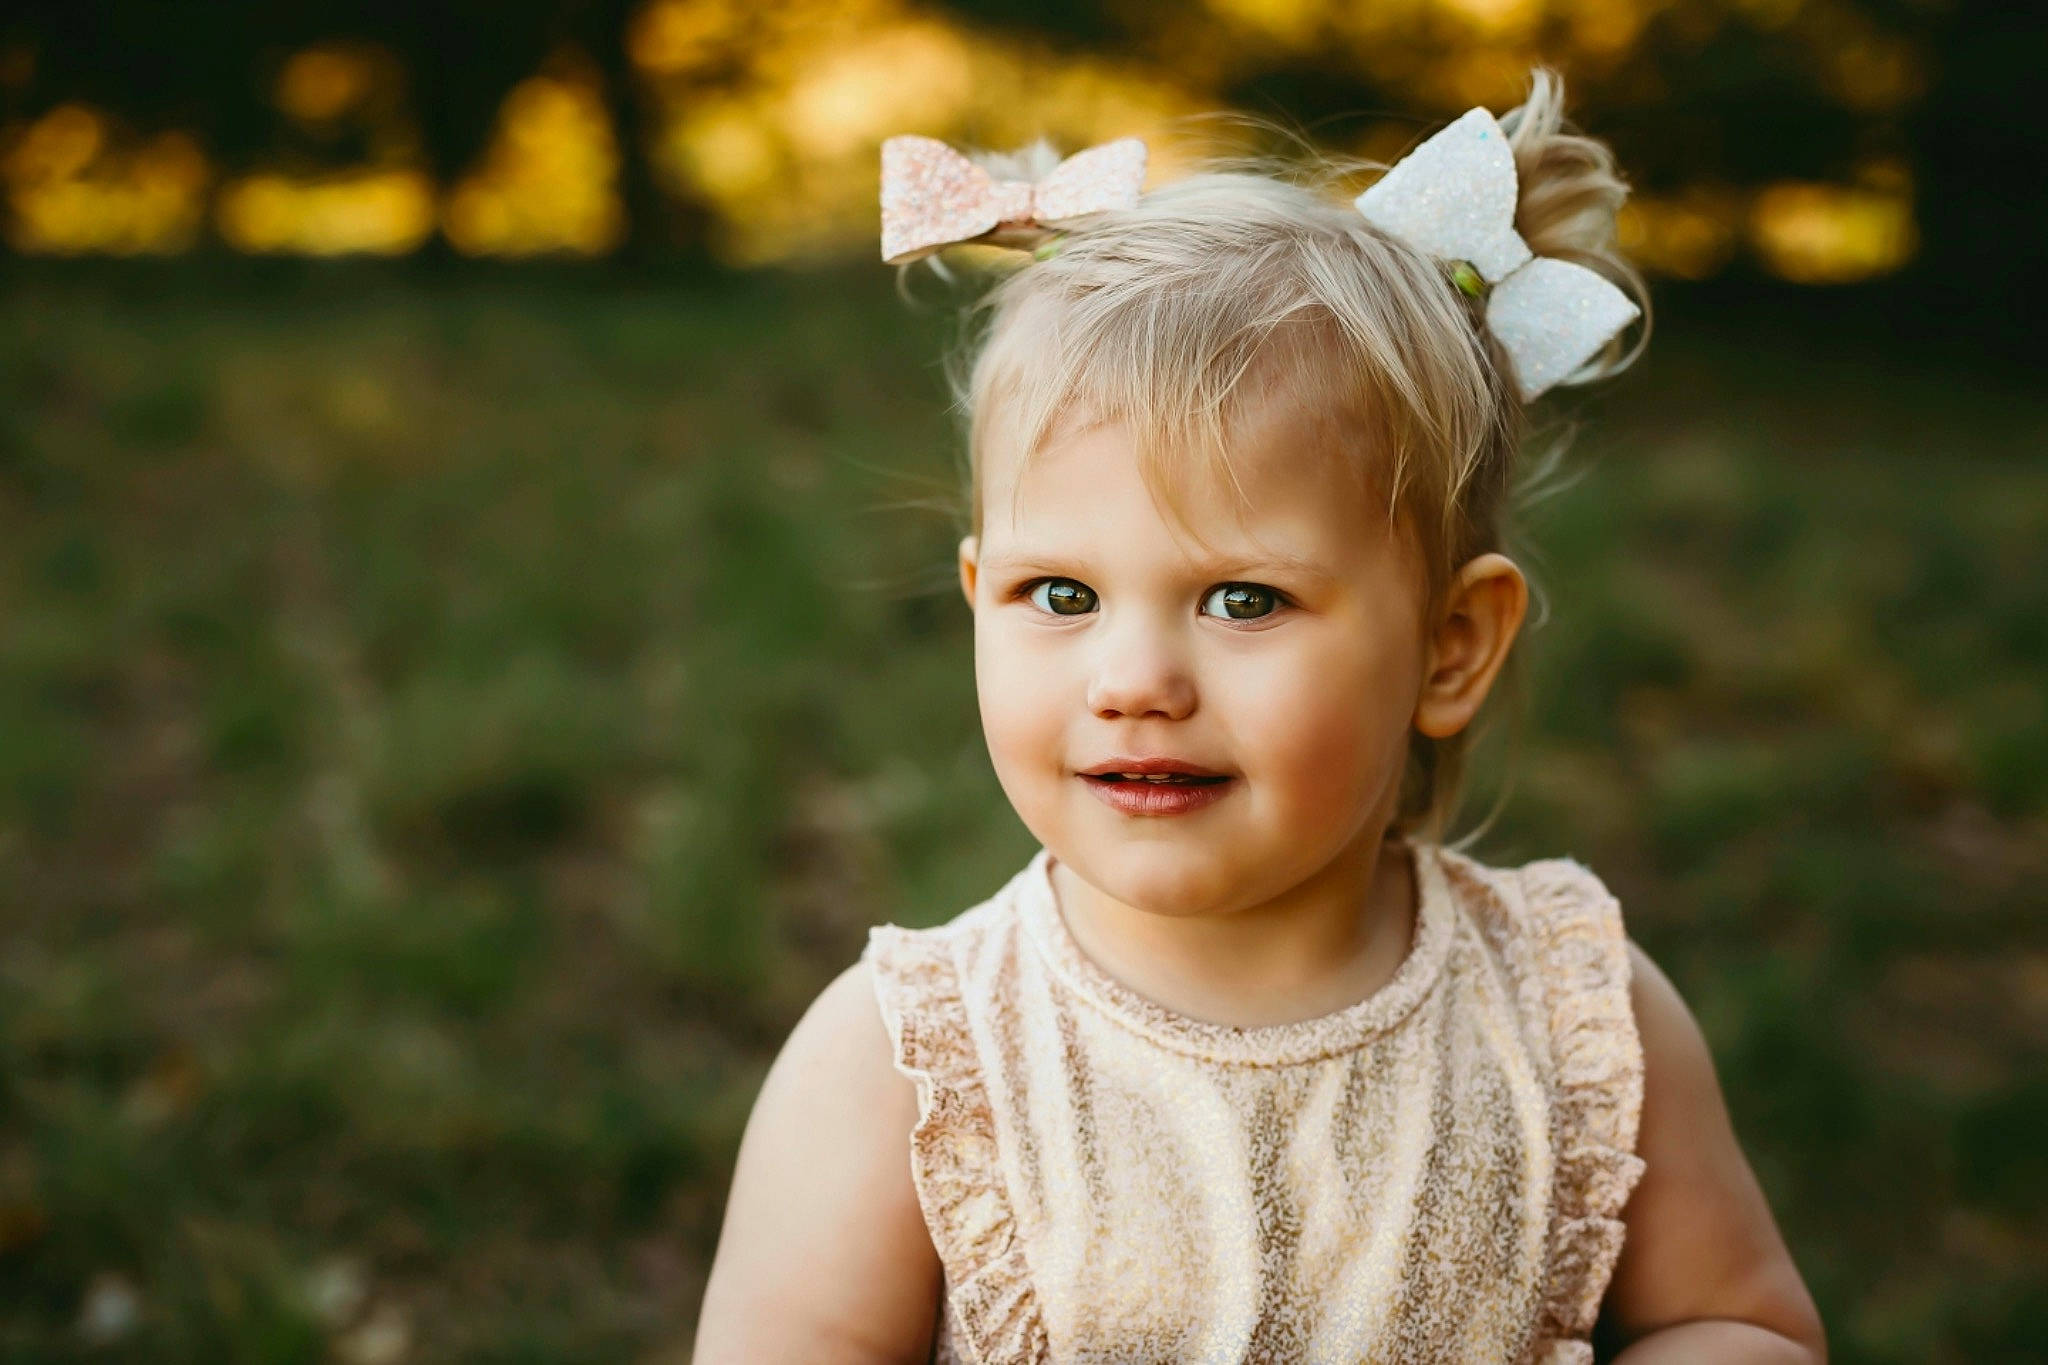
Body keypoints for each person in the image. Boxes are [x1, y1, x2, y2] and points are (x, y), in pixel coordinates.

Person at [693, 68, 1826, 1364]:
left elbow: (1736, 1322)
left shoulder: (1576, 1019)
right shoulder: (909, 1065)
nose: (1134, 679)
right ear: (974, 595)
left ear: (1451, 647)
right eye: (1058, 592)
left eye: (1242, 597)